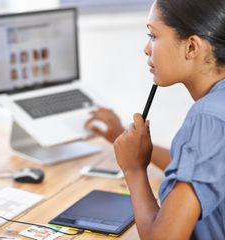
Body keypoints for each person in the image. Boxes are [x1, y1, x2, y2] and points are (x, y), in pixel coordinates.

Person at [86, 0, 225, 239]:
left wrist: (134, 171)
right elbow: (206, 167)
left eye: (153, 35)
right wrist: (132, 145)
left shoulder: (206, 118)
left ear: (191, 47)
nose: (146, 48)